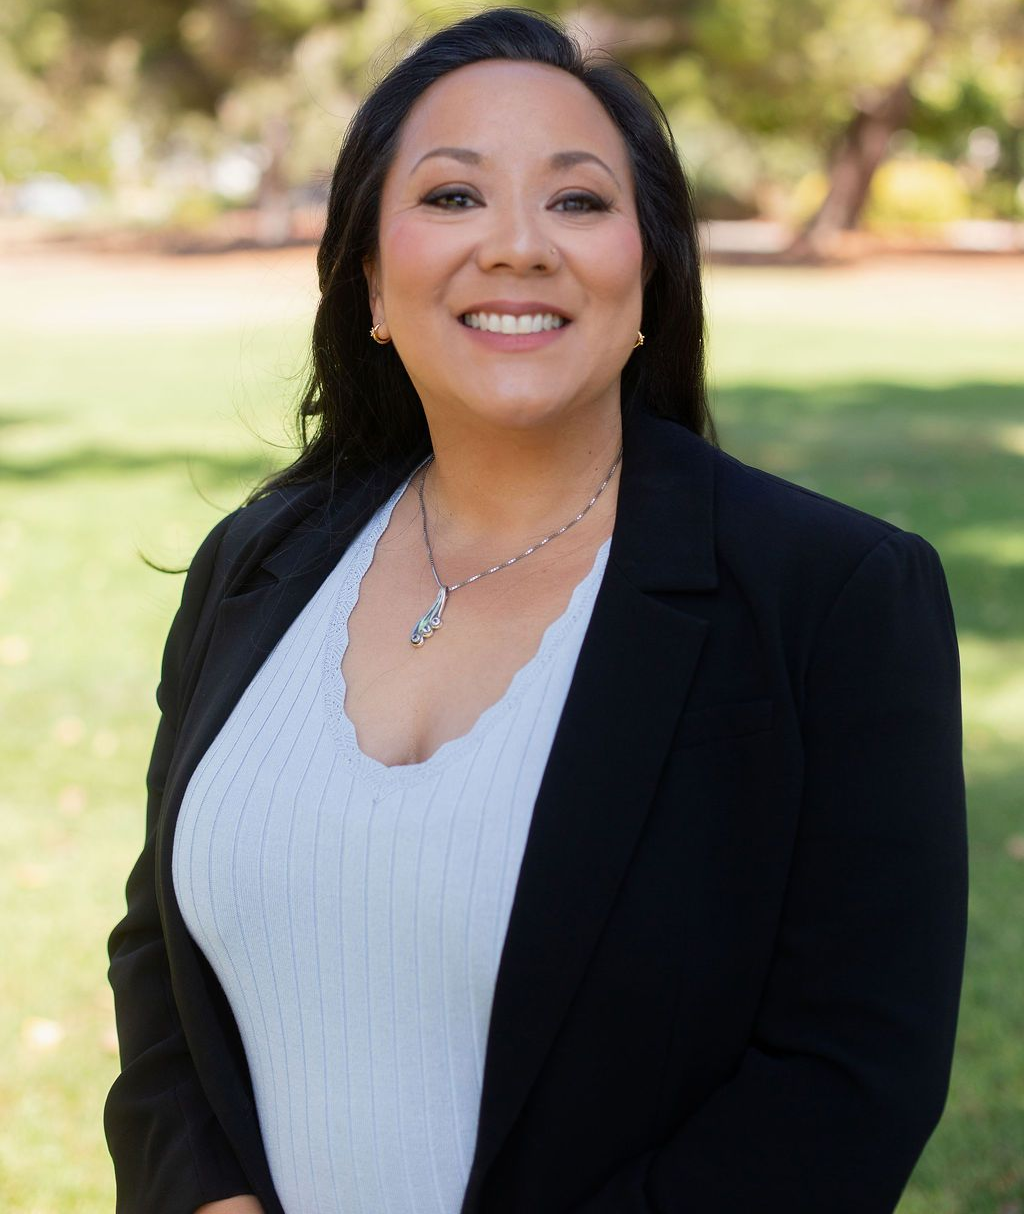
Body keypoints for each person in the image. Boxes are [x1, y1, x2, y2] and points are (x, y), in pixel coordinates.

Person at [104, 8, 968, 1214]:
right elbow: (158, 959)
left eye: (577, 201)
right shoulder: (254, 563)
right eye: (453, 197)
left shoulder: (831, 597)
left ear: (650, 270)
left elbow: (847, 1075)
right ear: (368, 276)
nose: (516, 245)